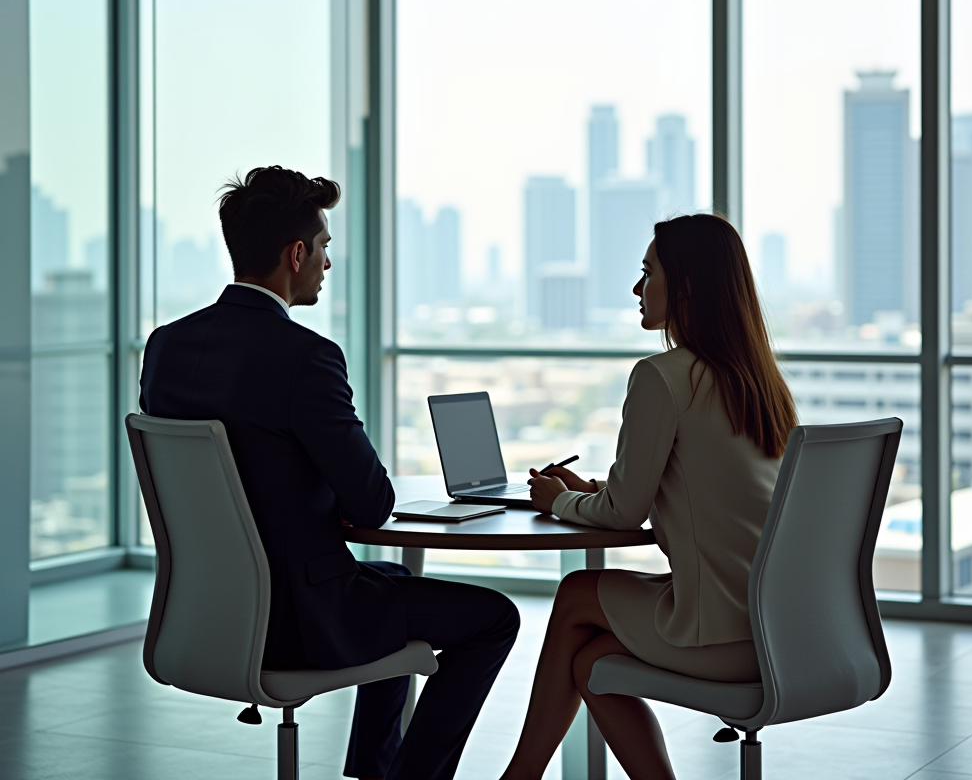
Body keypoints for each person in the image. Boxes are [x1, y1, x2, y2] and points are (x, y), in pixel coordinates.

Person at [140, 166, 519, 780]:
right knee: (495, 618)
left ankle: (375, 768)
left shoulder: (165, 346)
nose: (327, 262)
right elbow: (371, 504)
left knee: (393, 579)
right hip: (297, 622)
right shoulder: (306, 356)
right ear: (296, 254)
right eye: (323, 247)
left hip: (206, 615)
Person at [499, 213, 796, 780]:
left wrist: (556, 502)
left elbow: (624, 514)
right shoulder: (756, 380)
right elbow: (703, 488)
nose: (637, 288)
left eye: (648, 272)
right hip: (779, 625)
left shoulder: (663, 375)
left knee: (576, 594)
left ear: (685, 286)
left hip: (727, 632)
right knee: (592, 662)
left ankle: (520, 777)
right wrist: (594, 491)